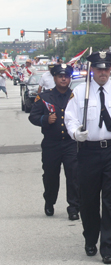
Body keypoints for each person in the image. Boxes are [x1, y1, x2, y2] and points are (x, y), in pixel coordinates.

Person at [65, 51, 111, 265]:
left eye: (106, 69)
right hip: (89, 151)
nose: (103, 72)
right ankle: (90, 238)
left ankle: (108, 246)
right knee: (88, 200)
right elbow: (70, 118)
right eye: (99, 68)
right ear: (92, 70)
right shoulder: (80, 92)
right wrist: (75, 132)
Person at [28, 64, 79, 219]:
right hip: (52, 144)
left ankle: (74, 207)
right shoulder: (44, 97)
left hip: (71, 143)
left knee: (74, 176)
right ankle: (49, 201)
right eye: (60, 76)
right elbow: (33, 116)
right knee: (50, 176)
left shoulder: (75, 96)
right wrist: (45, 119)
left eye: (66, 76)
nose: (64, 79)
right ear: (55, 78)